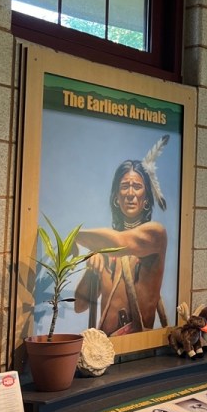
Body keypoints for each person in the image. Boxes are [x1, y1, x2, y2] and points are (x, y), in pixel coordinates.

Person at [74, 136, 170, 336]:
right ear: (117, 197)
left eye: (137, 186)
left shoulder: (155, 234)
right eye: (124, 186)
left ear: (146, 198)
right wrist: (93, 264)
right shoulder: (104, 246)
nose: (130, 193)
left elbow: (120, 242)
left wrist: (74, 237)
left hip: (137, 348)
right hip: (103, 349)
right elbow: (80, 305)